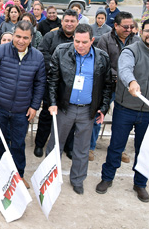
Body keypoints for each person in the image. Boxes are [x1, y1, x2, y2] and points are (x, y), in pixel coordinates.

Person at [96, 18, 149, 203]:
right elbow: (124, 70)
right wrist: (131, 82)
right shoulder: (130, 50)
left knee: (145, 149)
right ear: (141, 31)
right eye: (147, 30)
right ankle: (107, 178)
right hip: (126, 109)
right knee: (116, 146)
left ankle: (140, 183)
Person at [47, 24, 112, 195]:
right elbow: (53, 79)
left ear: (92, 40)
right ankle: (49, 177)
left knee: (82, 148)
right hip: (64, 108)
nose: (80, 45)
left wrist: (103, 108)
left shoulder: (102, 58)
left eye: (84, 42)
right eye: (77, 41)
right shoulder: (61, 51)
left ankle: (77, 180)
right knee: (55, 145)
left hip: (87, 110)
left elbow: (107, 86)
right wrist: (52, 102)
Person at [0, 20, 46, 185]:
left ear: (31, 38)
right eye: (18, 36)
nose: (21, 41)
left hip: (22, 111)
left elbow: (40, 84)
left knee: (17, 144)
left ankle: (18, 175)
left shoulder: (38, 57)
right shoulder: (0, 51)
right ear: (13, 34)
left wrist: (34, 106)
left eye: (25, 37)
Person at [90, 11, 140, 162]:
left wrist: (128, 79)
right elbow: (102, 62)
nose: (129, 29)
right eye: (125, 26)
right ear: (116, 25)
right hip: (108, 86)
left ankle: (120, 149)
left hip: (127, 88)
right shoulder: (105, 39)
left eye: (131, 26)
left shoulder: (137, 41)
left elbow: (139, 64)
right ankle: (90, 147)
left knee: (122, 121)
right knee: (98, 115)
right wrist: (117, 76)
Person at [34, 9, 79, 158]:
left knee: (70, 117)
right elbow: (42, 54)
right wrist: (60, 68)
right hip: (52, 84)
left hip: (73, 87)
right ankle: (40, 144)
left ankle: (68, 146)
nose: (69, 24)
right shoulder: (51, 36)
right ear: (62, 21)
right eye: (67, 20)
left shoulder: (79, 39)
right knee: (47, 115)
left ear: (77, 22)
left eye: (72, 21)